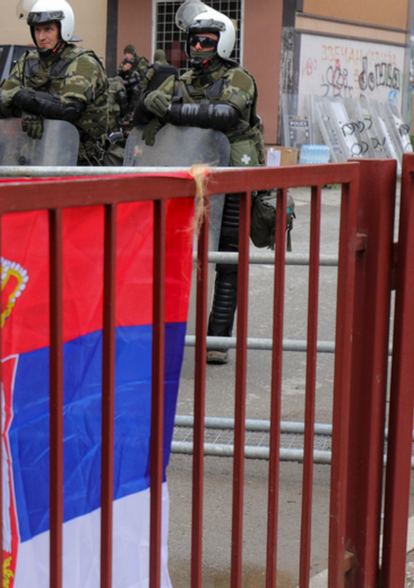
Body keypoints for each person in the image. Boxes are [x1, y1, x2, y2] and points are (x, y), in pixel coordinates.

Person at [134, 7, 265, 364]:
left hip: (232, 177)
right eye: (194, 40)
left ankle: (217, 339)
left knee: (227, 259)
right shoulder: (180, 79)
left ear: (223, 44)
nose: (198, 47)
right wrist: (147, 102)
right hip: (188, 175)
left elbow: (226, 114)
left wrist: (171, 112)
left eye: (206, 41)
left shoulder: (240, 78)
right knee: (172, 254)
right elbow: (138, 113)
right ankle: (161, 332)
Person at [0, 0, 115, 166]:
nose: (42, 37)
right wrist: (24, 111)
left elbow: (69, 109)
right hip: (35, 158)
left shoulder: (83, 62)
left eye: (48, 29)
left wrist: (24, 98)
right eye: (37, 30)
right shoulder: (28, 61)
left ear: (64, 29)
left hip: (80, 161)